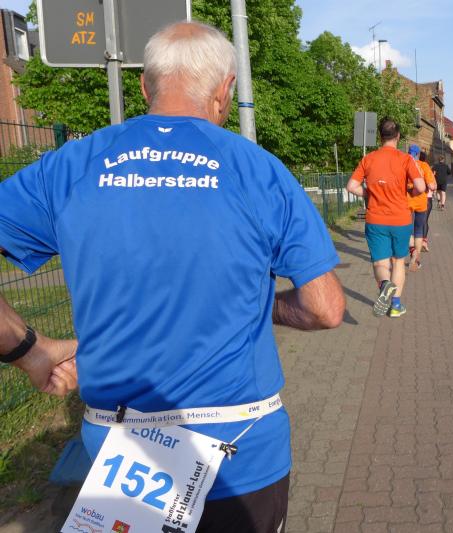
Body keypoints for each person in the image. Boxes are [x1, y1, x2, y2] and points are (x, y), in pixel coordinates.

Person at [0, 21, 345, 533]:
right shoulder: (259, 169)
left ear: (145, 87)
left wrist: (28, 350)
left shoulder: (71, 165)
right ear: (225, 91)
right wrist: (264, 305)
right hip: (240, 451)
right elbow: (325, 308)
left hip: (118, 449)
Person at [347, 119, 426, 318]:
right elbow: (421, 187)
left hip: (376, 220)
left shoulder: (368, 159)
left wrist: (368, 194)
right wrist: (410, 192)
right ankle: (396, 306)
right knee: (398, 262)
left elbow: (351, 186)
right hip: (401, 219)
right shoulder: (406, 159)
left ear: (380, 136)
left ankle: (384, 284)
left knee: (380, 263)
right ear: (397, 136)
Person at [407, 146, 437, 271]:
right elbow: (432, 186)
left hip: (406, 203)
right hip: (421, 203)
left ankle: (412, 251)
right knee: (419, 230)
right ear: (418, 154)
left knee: (408, 231)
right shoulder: (424, 166)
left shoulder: (404, 164)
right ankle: (416, 259)